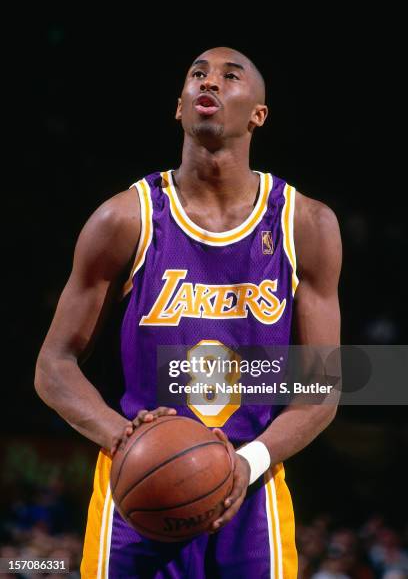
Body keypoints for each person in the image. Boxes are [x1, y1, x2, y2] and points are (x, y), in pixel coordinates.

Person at [35, 47, 342, 578]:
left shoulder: (306, 225)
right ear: (180, 107)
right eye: (198, 73)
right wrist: (125, 439)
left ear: (258, 115)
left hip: (254, 486)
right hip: (136, 491)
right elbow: (53, 367)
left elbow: (324, 389)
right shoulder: (124, 219)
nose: (210, 81)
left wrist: (244, 466)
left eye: (230, 75)